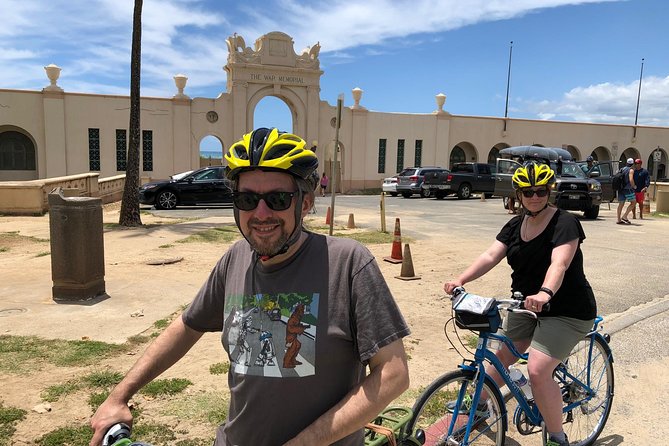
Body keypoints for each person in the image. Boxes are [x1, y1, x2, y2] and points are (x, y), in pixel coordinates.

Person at [89, 128, 411, 446]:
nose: (261, 213)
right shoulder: (235, 258)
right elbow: (186, 326)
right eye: (247, 199)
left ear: (306, 202)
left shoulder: (348, 264)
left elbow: (393, 374)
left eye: (277, 199)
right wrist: (120, 395)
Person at [444, 162, 596, 446]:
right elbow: (491, 255)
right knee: (502, 355)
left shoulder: (565, 222)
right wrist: (461, 279)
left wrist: (545, 293)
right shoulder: (515, 224)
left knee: (537, 370)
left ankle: (557, 438)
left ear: (549, 191)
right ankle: (478, 405)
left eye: (540, 191)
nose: (534, 196)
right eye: (528, 192)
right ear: (519, 194)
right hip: (525, 306)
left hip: (567, 310)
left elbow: (559, 264)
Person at [616, 158, 637, 225]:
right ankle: (625, 216)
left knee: (621, 204)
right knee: (633, 202)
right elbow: (631, 179)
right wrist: (634, 186)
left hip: (621, 189)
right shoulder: (631, 170)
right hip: (628, 189)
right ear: (632, 164)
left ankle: (619, 219)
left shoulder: (622, 169)